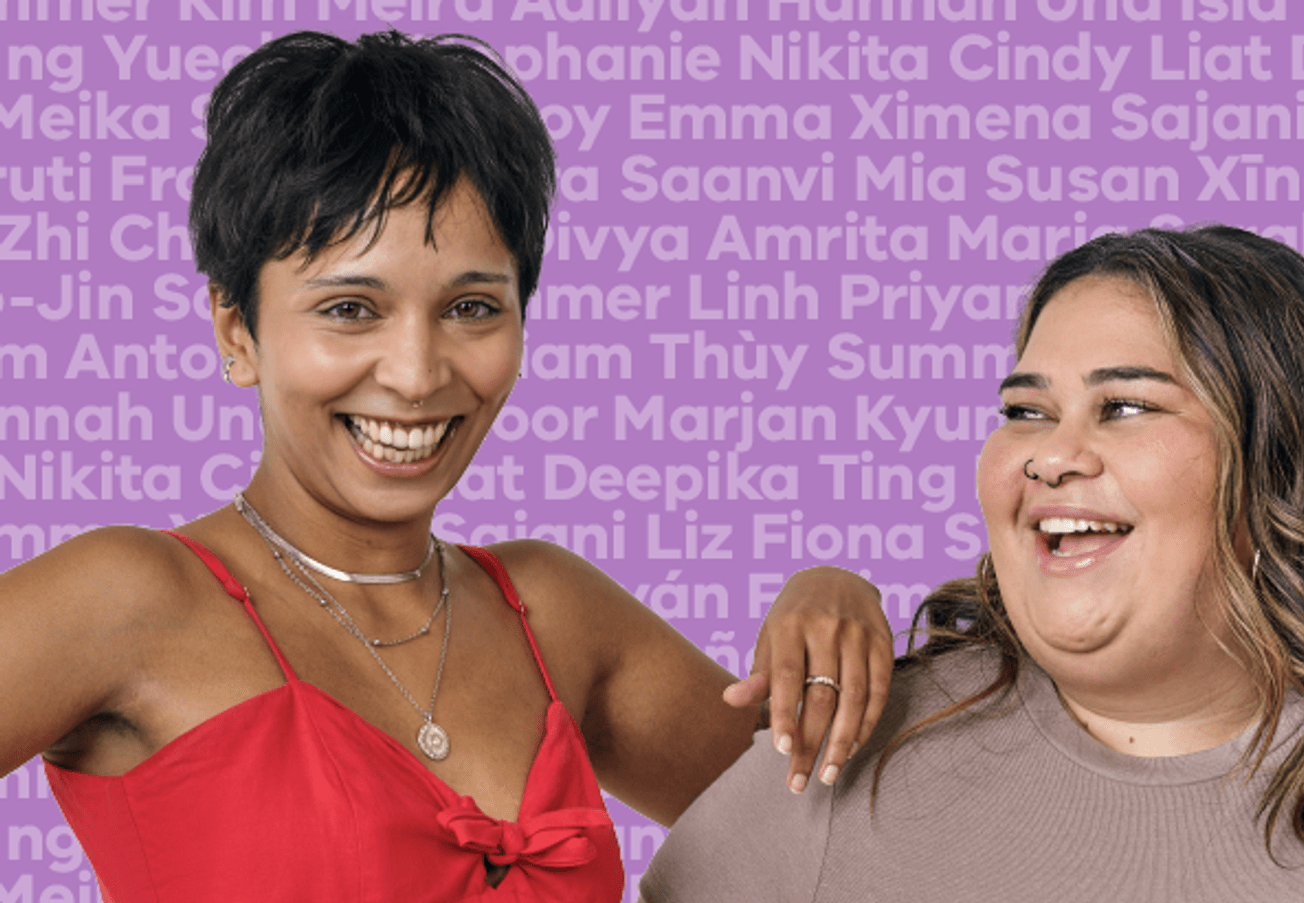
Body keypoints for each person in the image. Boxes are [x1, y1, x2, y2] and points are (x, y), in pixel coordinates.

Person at [0, 31, 893, 902]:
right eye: (351, 307)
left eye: (471, 306)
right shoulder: (129, 600)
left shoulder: (553, 612)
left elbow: (852, 833)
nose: (419, 373)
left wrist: (832, 590)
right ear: (238, 332)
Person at [640, 226, 1304, 903]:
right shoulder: (841, 770)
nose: (1048, 456)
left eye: (1125, 406)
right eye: (1027, 412)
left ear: (1286, 462)